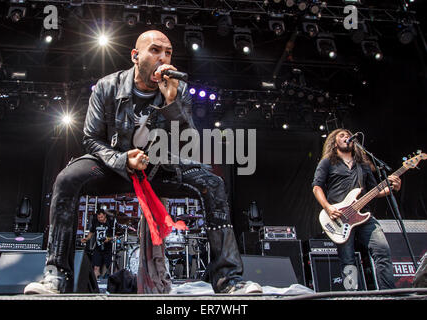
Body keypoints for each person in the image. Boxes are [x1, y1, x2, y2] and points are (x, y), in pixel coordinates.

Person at [24, 30, 261, 295]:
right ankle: (56, 276)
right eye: (155, 50)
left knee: (213, 184)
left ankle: (229, 280)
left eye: (168, 52)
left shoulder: (178, 90)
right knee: (67, 179)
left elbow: (186, 144)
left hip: (160, 168)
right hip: (116, 166)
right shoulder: (107, 86)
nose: (163, 58)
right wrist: (122, 159)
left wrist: (171, 102)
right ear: (136, 56)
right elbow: (91, 139)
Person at [312, 128, 401, 290]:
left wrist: (392, 188)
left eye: (348, 135)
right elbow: (317, 187)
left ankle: (389, 293)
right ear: (334, 142)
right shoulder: (327, 162)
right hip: (339, 218)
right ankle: (352, 294)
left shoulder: (363, 165)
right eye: (342, 135)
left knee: (382, 250)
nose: (347, 137)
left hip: (364, 217)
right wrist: (329, 208)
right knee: (348, 260)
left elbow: (376, 191)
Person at [81, 209, 114, 279]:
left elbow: (116, 235)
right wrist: (87, 239)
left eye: (101, 217)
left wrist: (109, 239)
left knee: (108, 265)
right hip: (98, 247)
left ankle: (104, 280)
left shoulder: (110, 222)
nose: (100, 219)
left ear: (105, 215)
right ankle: (96, 282)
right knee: (96, 266)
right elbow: (91, 232)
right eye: (99, 217)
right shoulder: (95, 222)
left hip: (108, 247)